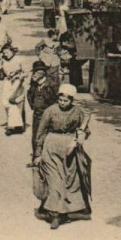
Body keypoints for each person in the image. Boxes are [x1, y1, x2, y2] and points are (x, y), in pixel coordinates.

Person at [34, 83, 92, 229]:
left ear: (72, 100)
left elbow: (86, 130)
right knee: (55, 181)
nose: (62, 103)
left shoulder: (78, 112)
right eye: (60, 100)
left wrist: (81, 136)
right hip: (51, 147)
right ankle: (55, 215)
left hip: (70, 149)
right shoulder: (50, 111)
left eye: (66, 101)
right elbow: (41, 132)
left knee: (69, 181)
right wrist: (38, 154)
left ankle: (65, 211)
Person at [27, 61, 59, 158]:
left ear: (42, 73)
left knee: (46, 138)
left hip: (48, 116)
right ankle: (35, 159)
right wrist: (34, 106)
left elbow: (55, 99)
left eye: (36, 72)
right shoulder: (34, 85)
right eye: (34, 72)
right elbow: (30, 97)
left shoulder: (51, 85)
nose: (34, 75)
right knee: (35, 138)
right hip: (37, 115)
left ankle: (46, 159)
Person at [0, 44, 26, 135]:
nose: (6, 54)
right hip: (7, 82)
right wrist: (1, 59)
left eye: (7, 52)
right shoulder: (4, 60)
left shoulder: (18, 59)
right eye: (4, 53)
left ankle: (13, 126)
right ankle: (14, 123)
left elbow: (26, 73)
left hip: (17, 83)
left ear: (12, 51)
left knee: (13, 103)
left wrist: (18, 76)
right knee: (5, 103)